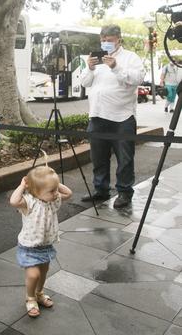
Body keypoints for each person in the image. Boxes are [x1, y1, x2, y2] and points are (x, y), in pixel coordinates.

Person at [81, 24, 145, 209]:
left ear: (119, 40)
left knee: (125, 159)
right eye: (102, 40)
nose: (105, 43)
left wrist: (115, 66)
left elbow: (137, 79)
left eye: (109, 40)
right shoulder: (97, 59)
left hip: (122, 117)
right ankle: (101, 190)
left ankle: (124, 192)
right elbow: (85, 83)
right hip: (97, 115)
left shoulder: (130, 58)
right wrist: (90, 68)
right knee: (98, 157)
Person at [9, 165, 72, 317]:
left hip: (45, 245)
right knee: (33, 275)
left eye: (55, 189)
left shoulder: (52, 200)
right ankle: (30, 298)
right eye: (52, 190)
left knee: (43, 273)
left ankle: (39, 293)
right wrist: (22, 185)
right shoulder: (29, 202)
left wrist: (54, 183)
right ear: (36, 191)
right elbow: (13, 201)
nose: (56, 193)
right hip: (29, 247)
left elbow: (68, 193)